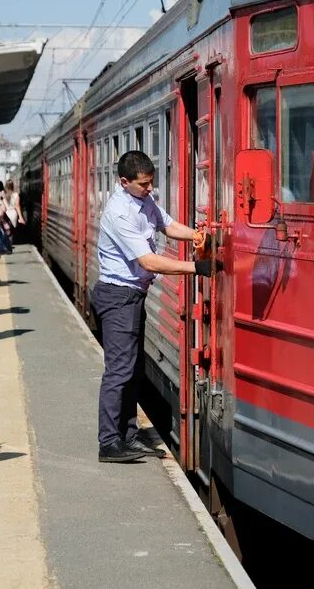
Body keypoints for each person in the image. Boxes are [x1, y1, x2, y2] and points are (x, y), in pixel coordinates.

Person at [95, 150, 222, 463]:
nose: (149, 189)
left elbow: (166, 225)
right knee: (119, 372)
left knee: (133, 370)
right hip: (117, 296)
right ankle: (109, 443)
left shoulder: (142, 201)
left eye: (151, 183)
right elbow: (148, 260)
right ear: (124, 182)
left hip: (131, 296)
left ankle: (127, 437)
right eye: (143, 185)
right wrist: (197, 268)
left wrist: (196, 235)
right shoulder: (119, 212)